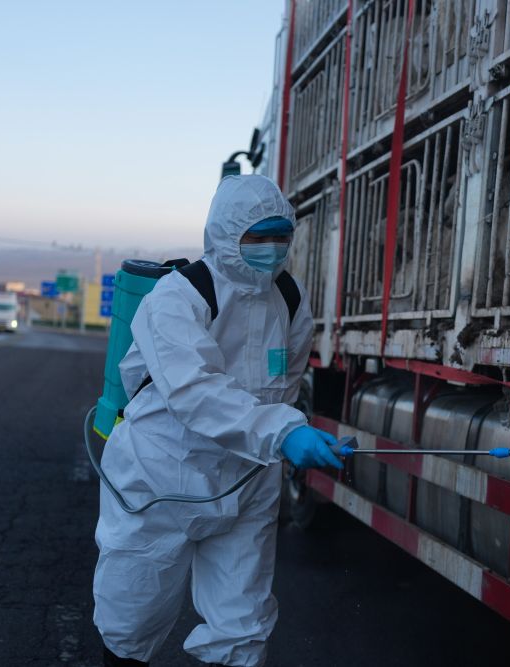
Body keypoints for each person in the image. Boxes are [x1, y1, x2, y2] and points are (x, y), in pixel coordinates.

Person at [93, 175, 342, 667]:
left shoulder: (290, 298)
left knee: (243, 627)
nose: (272, 247)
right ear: (226, 233)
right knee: (131, 618)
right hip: (160, 477)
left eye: (281, 236)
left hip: (246, 481)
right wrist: (283, 432)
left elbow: (286, 384)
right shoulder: (177, 296)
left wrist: (291, 431)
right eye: (258, 236)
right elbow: (194, 390)